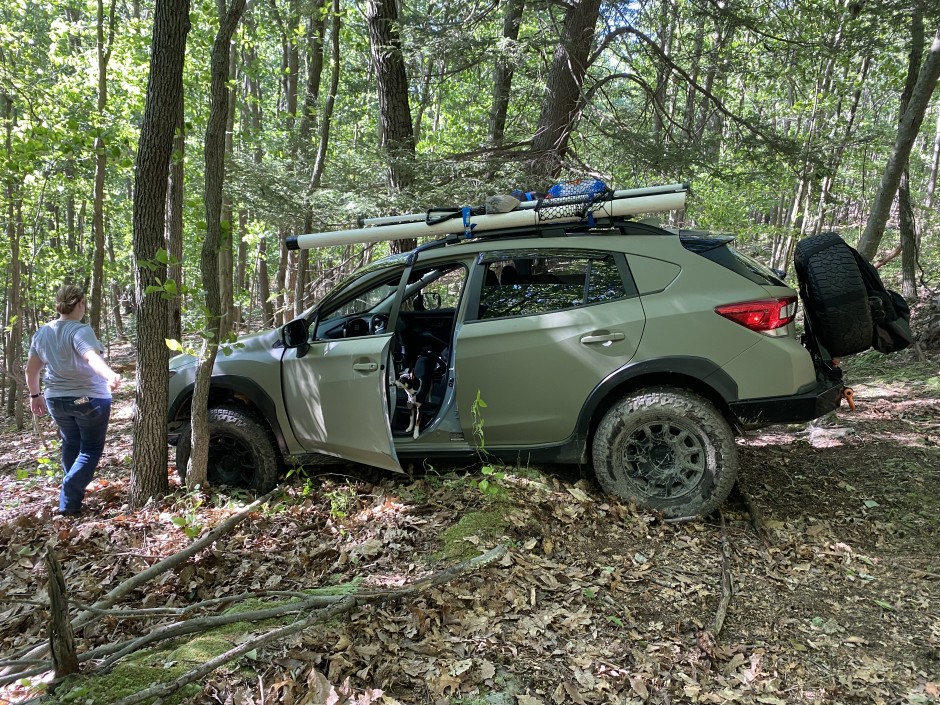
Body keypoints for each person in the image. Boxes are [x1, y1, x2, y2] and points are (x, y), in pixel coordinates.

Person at [25, 284, 122, 517]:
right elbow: (90, 358)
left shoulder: (42, 332)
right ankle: (69, 490)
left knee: (71, 443)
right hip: (85, 400)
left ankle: (71, 504)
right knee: (89, 448)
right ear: (80, 304)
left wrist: (34, 395)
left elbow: (31, 371)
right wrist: (110, 375)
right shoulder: (80, 330)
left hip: (57, 402)